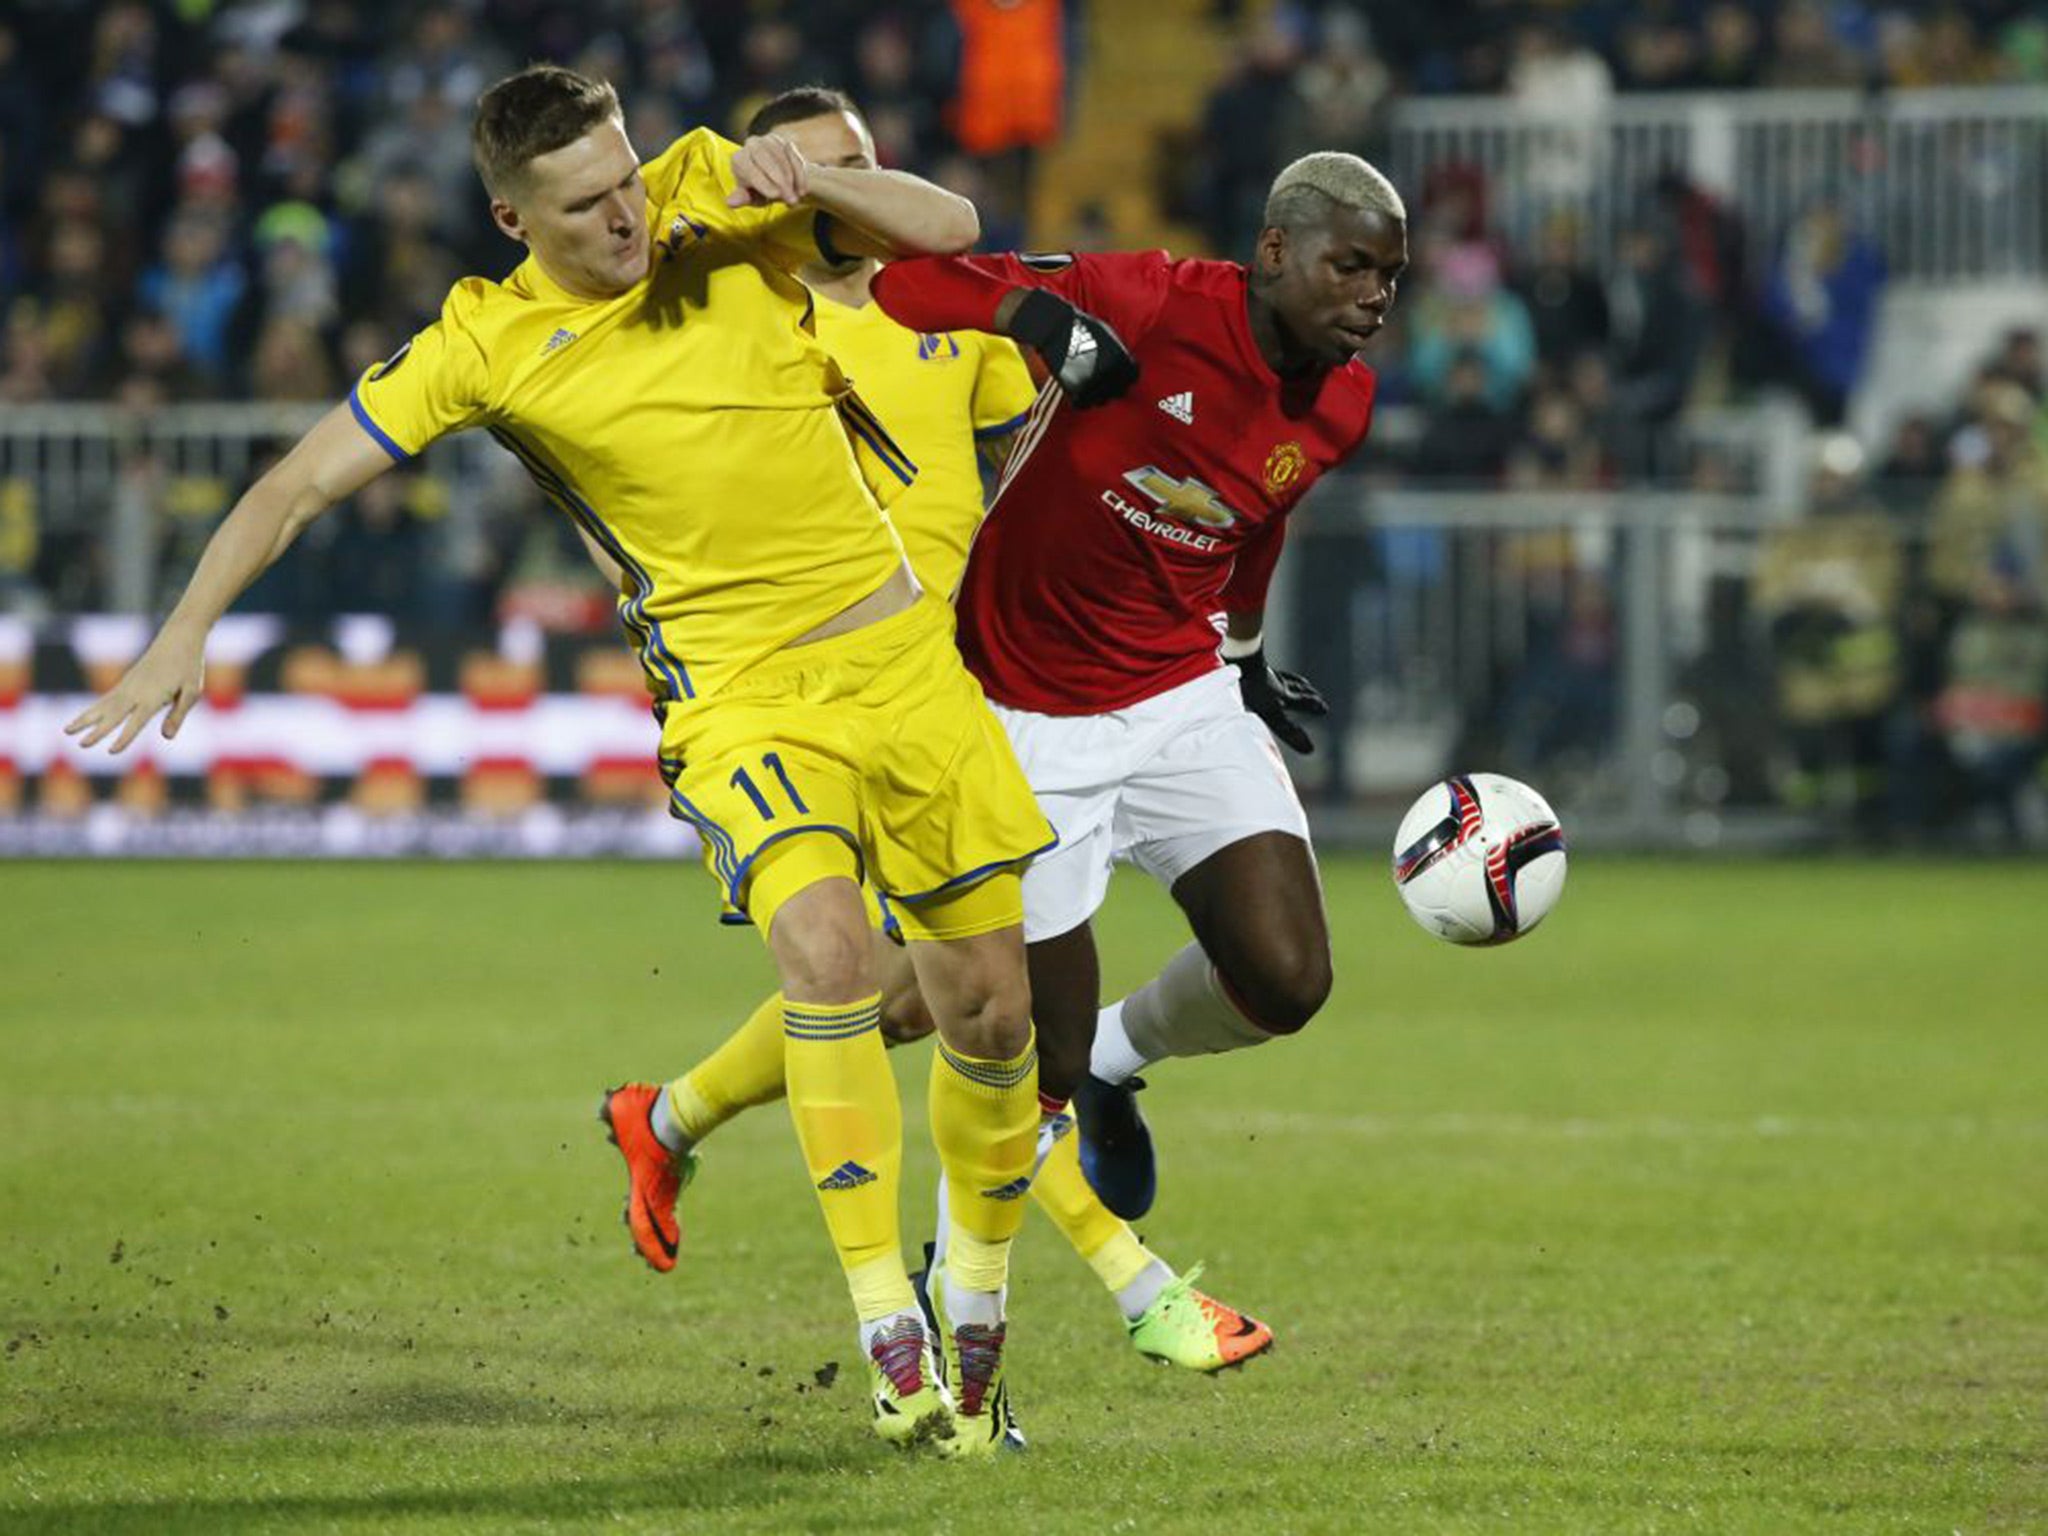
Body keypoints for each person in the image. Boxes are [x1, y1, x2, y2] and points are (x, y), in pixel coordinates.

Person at [64, 64, 1050, 1459]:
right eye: (585, 205)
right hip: (742, 699)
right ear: (512, 219)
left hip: (903, 663)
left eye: (628, 179)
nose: (627, 218)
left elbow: (947, 227)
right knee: (826, 956)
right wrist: (182, 635)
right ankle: (891, 1327)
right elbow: (292, 484)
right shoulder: (481, 346)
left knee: (991, 1014)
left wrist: (815, 181)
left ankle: (984, 1330)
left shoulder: (708, 191)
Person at [597, 89, 1274, 1389]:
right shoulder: (739, 326)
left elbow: (1044, 463)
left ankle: (664, 1115)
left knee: (922, 997)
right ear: (775, 183)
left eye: (868, 163)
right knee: (929, 996)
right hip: (797, 701)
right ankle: (1131, 1287)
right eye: (825, 168)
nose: (855, 186)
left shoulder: (947, 317)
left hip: (943, 697)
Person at [867, 151, 1407, 1220]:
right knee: (1035, 1061)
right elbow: (903, 287)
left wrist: (1243, 657)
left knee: (1286, 979)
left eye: (1388, 278)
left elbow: (1256, 518)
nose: (1372, 298)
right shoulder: (1147, 298)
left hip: (1177, 697)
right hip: (1022, 715)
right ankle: (956, 1278)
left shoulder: (1344, 402)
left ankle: (1123, 1056)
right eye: (1350, 267)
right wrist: (1034, 319)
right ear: (1272, 251)